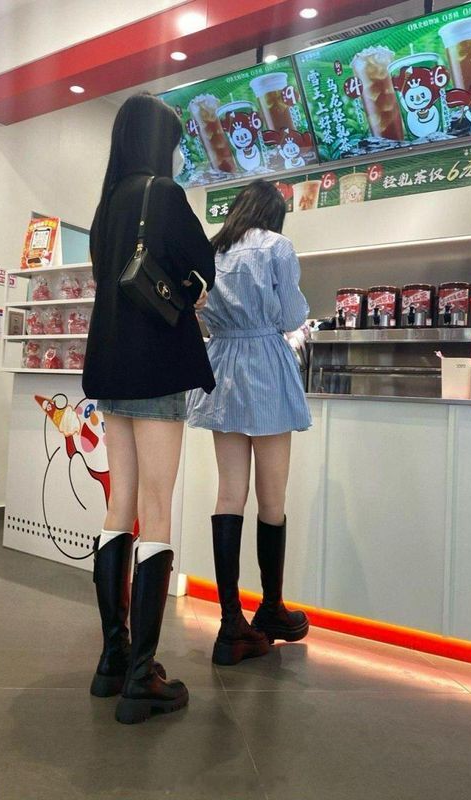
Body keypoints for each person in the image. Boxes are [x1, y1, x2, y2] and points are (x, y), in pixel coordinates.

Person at [82, 93, 215, 724]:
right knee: (157, 509)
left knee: (121, 505)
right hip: (156, 364)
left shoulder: (107, 205)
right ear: (159, 142)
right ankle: (142, 676)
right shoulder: (164, 193)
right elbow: (203, 262)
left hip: (109, 365)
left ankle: (112, 660)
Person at [187, 180, 312, 666]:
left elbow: (199, 309)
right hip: (265, 363)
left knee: (229, 494)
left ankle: (230, 624)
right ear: (272, 214)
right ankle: (272, 609)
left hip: (222, 365)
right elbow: (292, 314)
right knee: (272, 498)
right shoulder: (276, 246)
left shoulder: (212, 250)